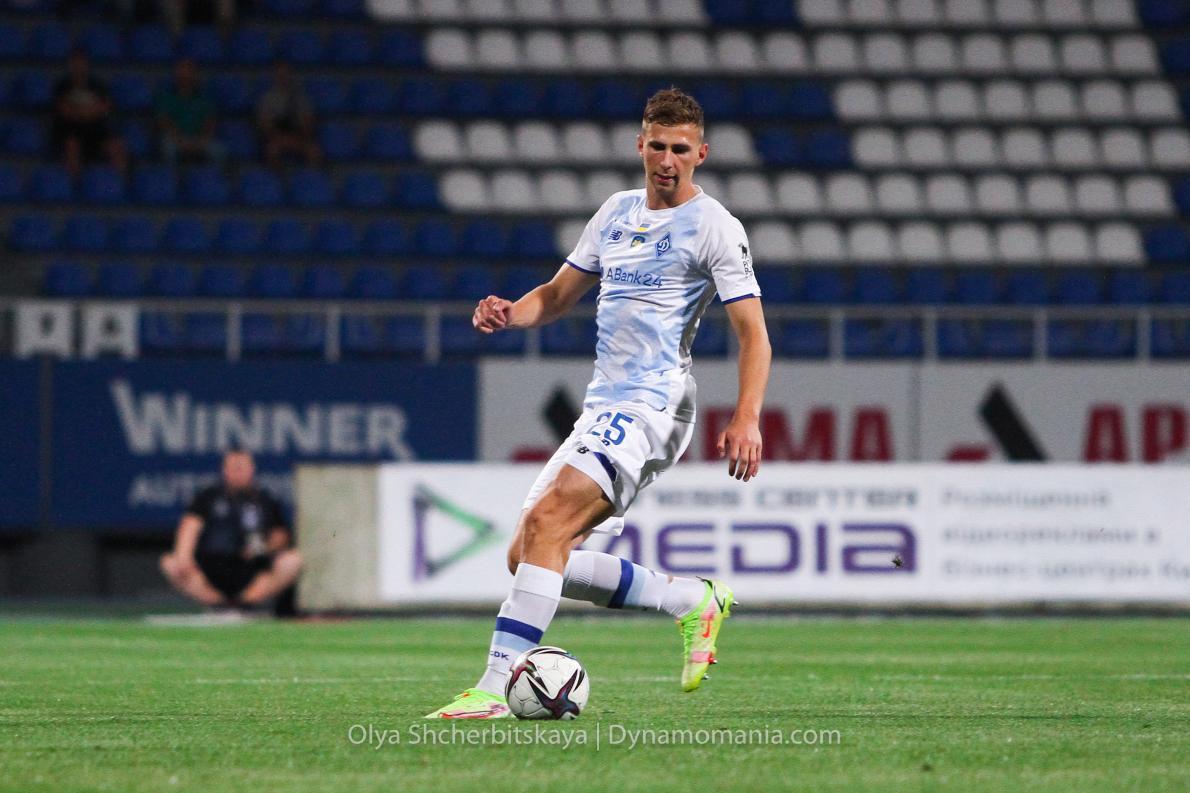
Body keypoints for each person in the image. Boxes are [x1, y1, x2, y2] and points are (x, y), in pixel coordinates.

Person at [425, 88, 771, 718]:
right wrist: (510, 312)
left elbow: (754, 334)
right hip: (605, 403)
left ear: (701, 154)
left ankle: (494, 688)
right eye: (658, 146)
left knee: (549, 522)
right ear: (640, 145)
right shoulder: (615, 212)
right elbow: (557, 296)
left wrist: (746, 415)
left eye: (681, 149)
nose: (667, 160)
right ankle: (688, 600)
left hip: (653, 403)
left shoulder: (715, 226)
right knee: (528, 553)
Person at [160, 449, 302, 613]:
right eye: (233, 467)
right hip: (210, 568)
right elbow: (190, 525)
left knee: (292, 561)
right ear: (224, 469)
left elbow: (280, 536)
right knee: (171, 562)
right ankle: (217, 604)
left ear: (252, 469)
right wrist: (184, 556)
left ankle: (245, 604)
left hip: (250, 569)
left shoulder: (264, 499)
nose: (237, 472)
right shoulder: (208, 497)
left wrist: (262, 548)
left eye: (242, 467)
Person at [51, 49, 128, 177]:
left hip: (96, 130)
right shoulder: (62, 86)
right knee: (72, 146)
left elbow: (104, 108)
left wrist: (80, 111)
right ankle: (74, 183)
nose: (79, 66)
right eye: (75, 63)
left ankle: (120, 182)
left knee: (116, 145)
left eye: (81, 62)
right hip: (70, 131)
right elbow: (65, 111)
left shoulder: (98, 85)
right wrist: (88, 112)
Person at [155, 58, 225, 167]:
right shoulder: (165, 97)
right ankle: (171, 176)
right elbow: (164, 122)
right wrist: (180, 140)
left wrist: (200, 141)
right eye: (181, 71)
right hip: (174, 139)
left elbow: (210, 123)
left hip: (200, 139)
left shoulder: (205, 98)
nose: (185, 75)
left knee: (219, 151)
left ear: (196, 74)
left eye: (189, 71)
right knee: (168, 148)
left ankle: (212, 177)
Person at [256, 60, 321, 170]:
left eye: (285, 74)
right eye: (279, 75)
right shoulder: (267, 98)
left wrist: (299, 134)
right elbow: (264, 122)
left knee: (314, 151)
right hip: (277, 136)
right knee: (271, 150)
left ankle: (310, 177)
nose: (283, 77)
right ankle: (276, 178)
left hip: (298, 136)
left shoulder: (300, 97)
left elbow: (308, 120)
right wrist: (278, 136)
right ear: (275, 77)